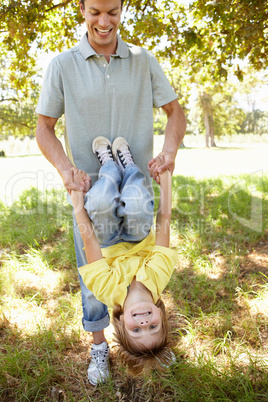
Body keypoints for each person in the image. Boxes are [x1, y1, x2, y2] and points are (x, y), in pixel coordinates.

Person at [35, 0, 186, 385]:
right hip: (90, 188)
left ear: (123, 10)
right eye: (95, 12)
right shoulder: (62, 65)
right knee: (93, 290)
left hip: (135, 184)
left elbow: (175, 112)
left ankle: (146, 346)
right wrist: (67, 171)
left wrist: (168, 154)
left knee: (103, 272)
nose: (104, 21)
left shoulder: (142, 60)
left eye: (113, 12)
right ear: (82, 9)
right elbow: (44, 128)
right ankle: (100, 346)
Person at [70, 136, 178, 379]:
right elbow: (164, 226)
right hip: (137, 233)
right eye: (153, 327)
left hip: (106, 239)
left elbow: (90, 242)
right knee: (137, 201)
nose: (144, 323)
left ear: (121, 325)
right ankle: (128, 166)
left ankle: (109, 167)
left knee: (98, 201)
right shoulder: (158, 278)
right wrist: (166, 184)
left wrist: (78, 202)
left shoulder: (106, 290)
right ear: (161, 314)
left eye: (137, 330)